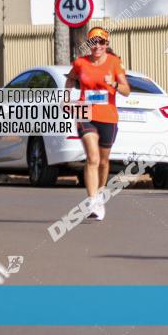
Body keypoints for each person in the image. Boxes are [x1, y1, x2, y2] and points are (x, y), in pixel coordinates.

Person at [65, 27, 130, 221]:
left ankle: (100, 193)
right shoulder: (80, 63)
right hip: (85, 113)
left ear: (106, 45)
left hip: (108, 116)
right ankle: (92, 201)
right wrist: (67, 99)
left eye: (101, 42)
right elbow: (70, 79)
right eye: (94, 42)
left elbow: (126, 90)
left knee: (103, 161)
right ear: (89, 44)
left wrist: (115, 84)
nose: (97, 46)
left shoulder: (114, 63)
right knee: (92, 158)